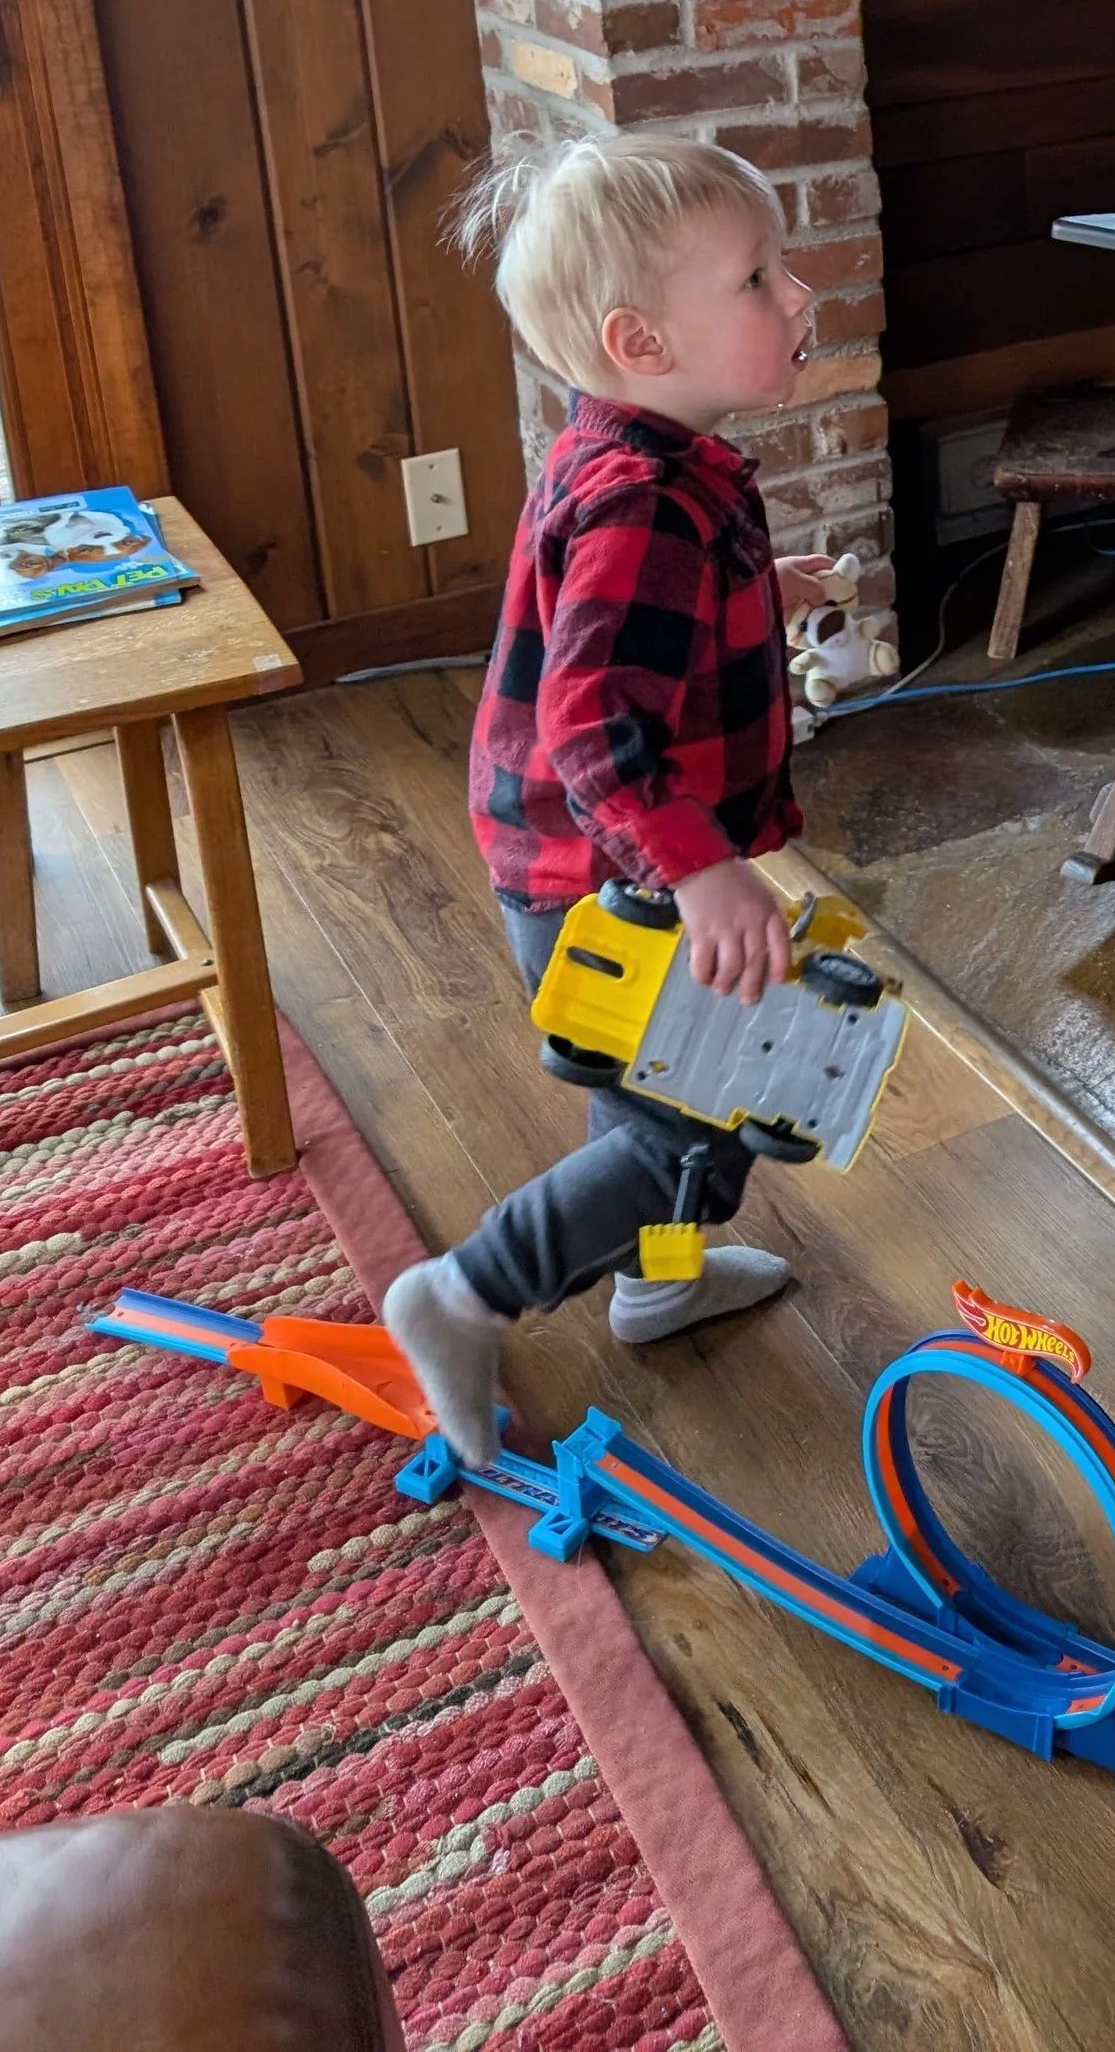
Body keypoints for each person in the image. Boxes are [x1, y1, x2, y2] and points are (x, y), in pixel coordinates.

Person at [384, 131, 839, 1465]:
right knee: (695, 1126)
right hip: (615, 869)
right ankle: (463, 1295)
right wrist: (702, 870)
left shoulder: (649, 462)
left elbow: (626, 633)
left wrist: (764, 591)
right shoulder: (645, 498)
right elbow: (594, 722)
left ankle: (655, 1283)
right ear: (643, 341)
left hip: (592, 855)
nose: (799, 295)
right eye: (759, 279)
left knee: (649, 1085)